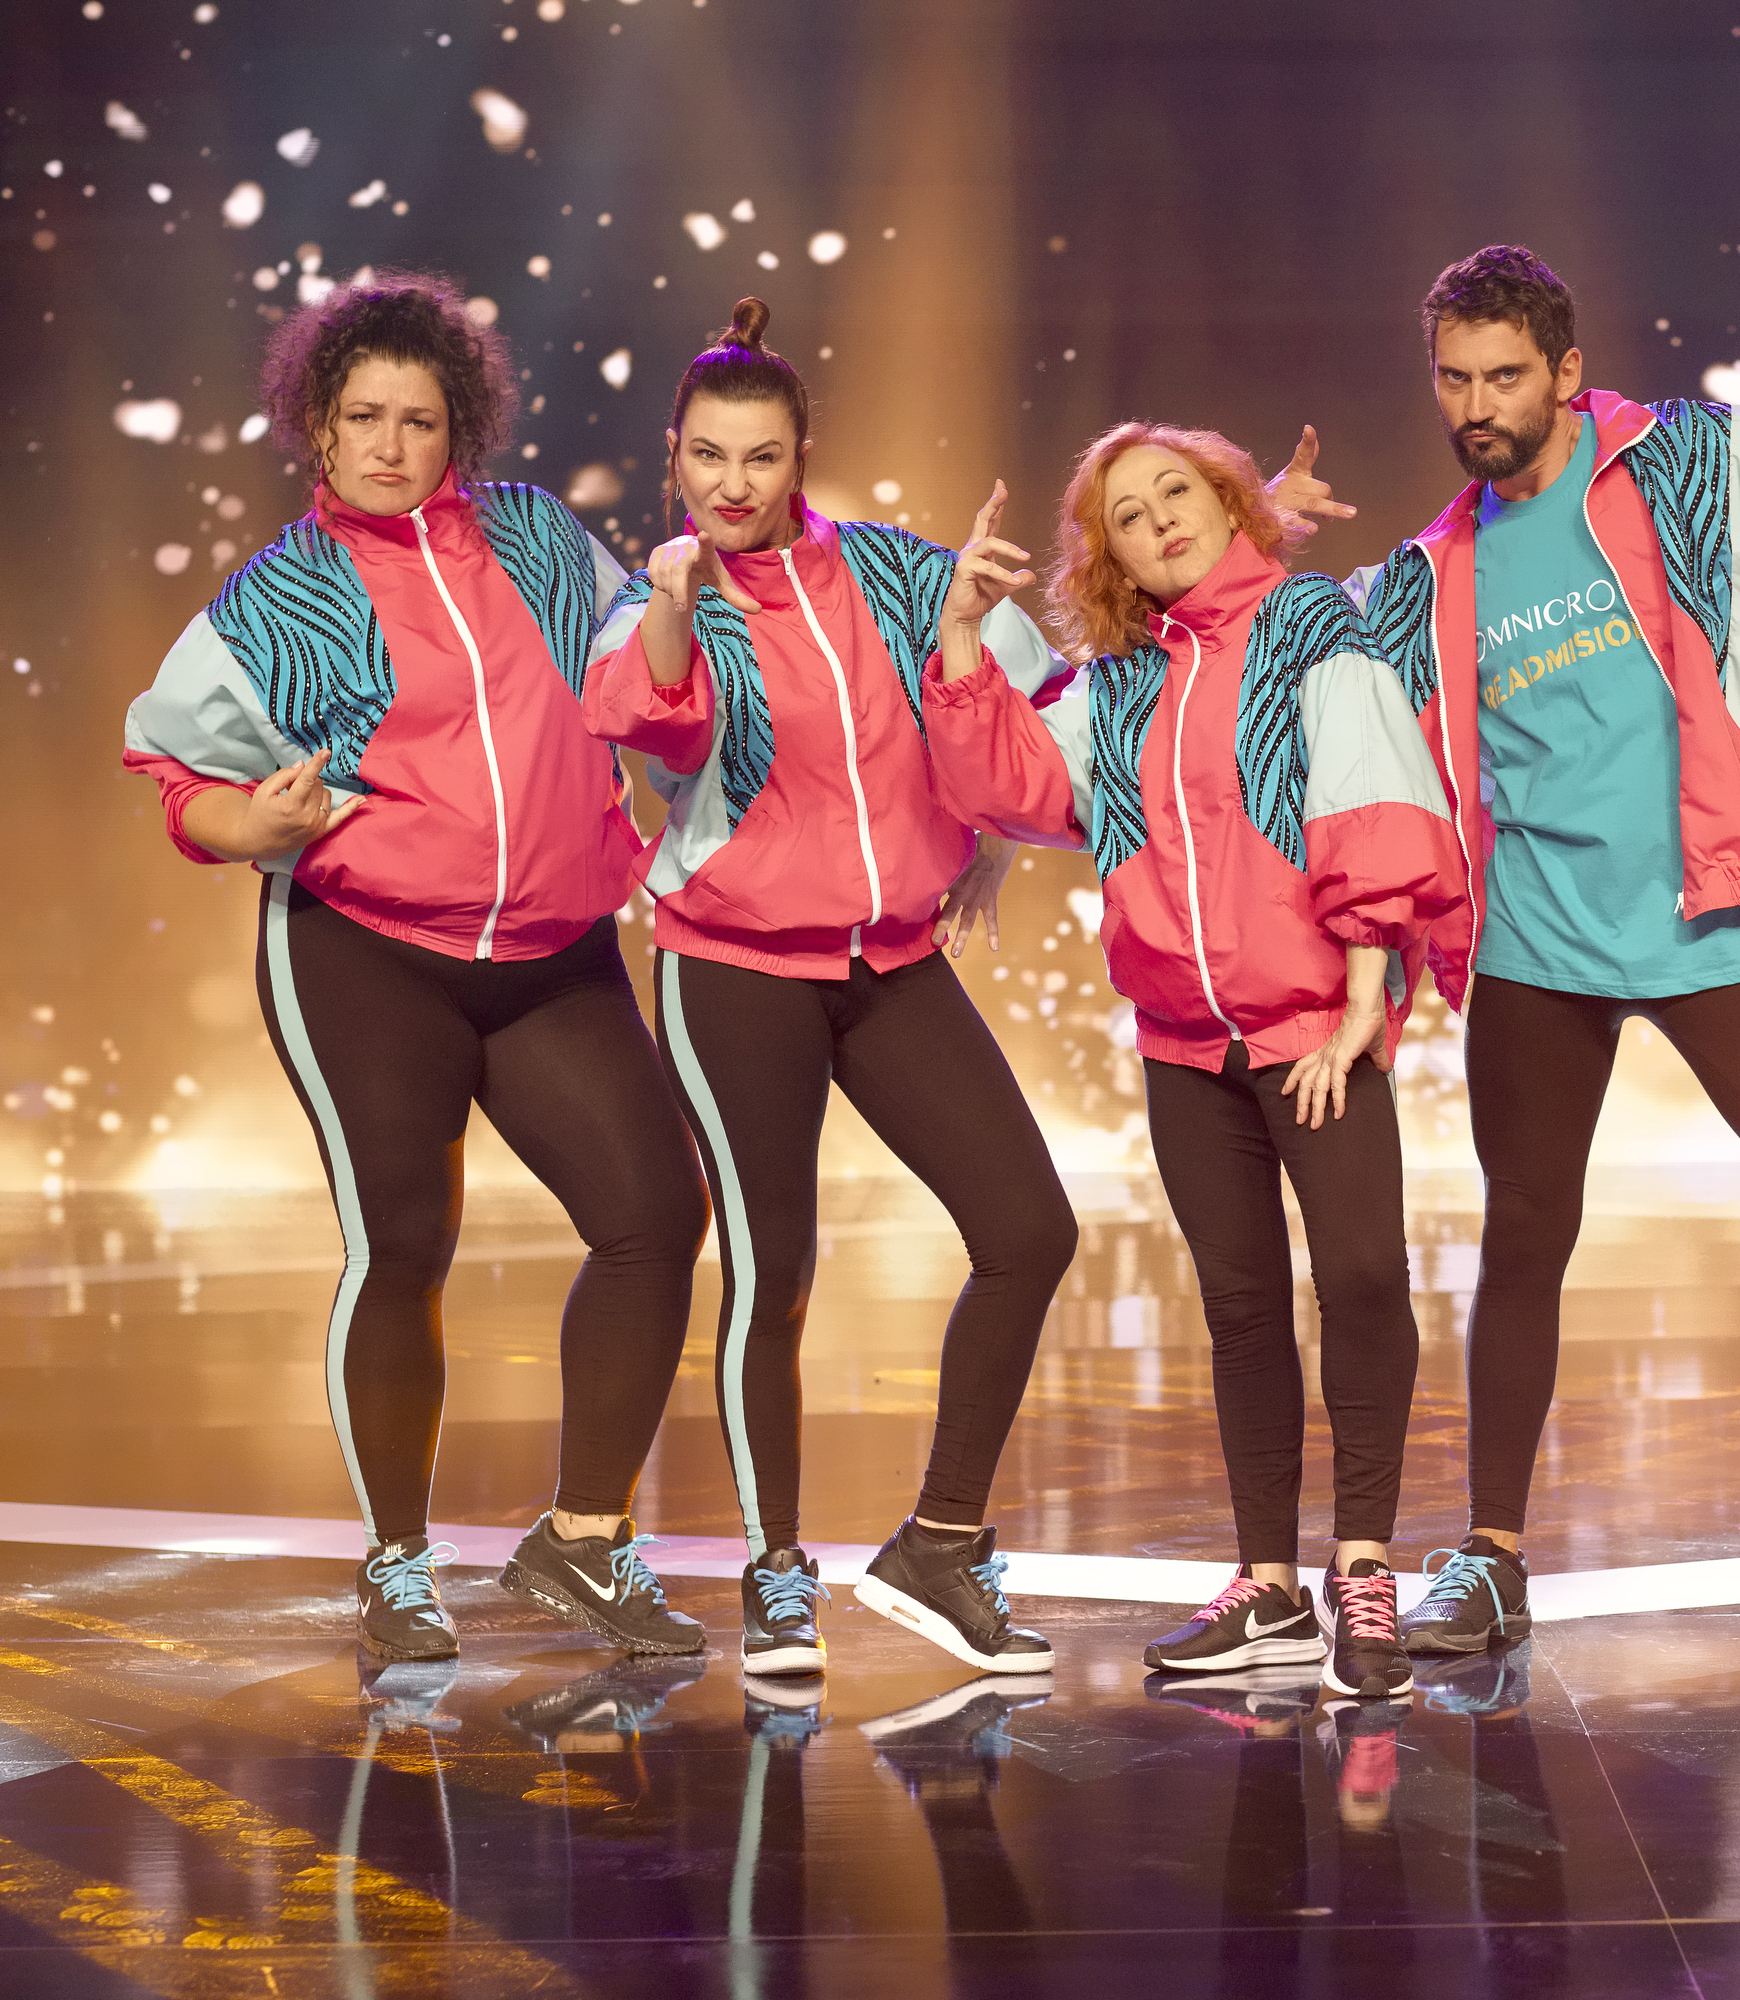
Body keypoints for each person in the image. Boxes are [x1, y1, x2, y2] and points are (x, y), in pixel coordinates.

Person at [1288, 244, 1740, 1657]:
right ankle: (1492, 1556)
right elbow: (1295, 680)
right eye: (1454, 380)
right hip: (1539, 944)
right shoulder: (1430, 574)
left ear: (1566, 369)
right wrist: (1256, 527)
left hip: (1722, 916)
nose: (1477, 406)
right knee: (1526, 1239)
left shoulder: (1697, 466)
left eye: (1504, 376)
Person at [119, 272, 708, 1661]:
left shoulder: (540, 540)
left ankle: (583, 1541)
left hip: (554, 948)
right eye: (363, 417)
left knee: (654, 1214)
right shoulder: (278, 598)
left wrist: (682, 607)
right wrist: (251, 823)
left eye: (421, 420)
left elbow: (640, 678)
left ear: (462, 429)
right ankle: (396, 1563)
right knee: (403, 1246)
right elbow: (174, 770)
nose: (390, 445)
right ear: (317, 427)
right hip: (365, 955)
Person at [925, 422, 1464, 1701]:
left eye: (1178, 491)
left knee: (1363, 1279)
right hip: (1183, 1045)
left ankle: (1364, 1566)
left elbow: (1369, 794)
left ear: (1231, 504)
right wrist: (959, 635)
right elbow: (1014, 781)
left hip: (1312, 1029)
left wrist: (1364, 1000)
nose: (1160, 518)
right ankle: (1267, 1581)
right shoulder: (1118, 681)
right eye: (1128, 513)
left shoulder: (1308, 627)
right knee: (1241, 1307)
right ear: (1109, 556)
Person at [580, 299, 1077, 1679]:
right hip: (733, 969)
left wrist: (987, 838)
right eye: (708, 457)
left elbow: (1038, 712)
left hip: (891, 963)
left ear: (802, 456)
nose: (733, 484)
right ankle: (776, 1573)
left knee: (1030, 1231)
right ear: (674, 457)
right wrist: (674, 601)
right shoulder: (658, 601)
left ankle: (940, 1543)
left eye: (762, 457)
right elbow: (652, 717)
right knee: (775, 1269)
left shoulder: (901, 571)